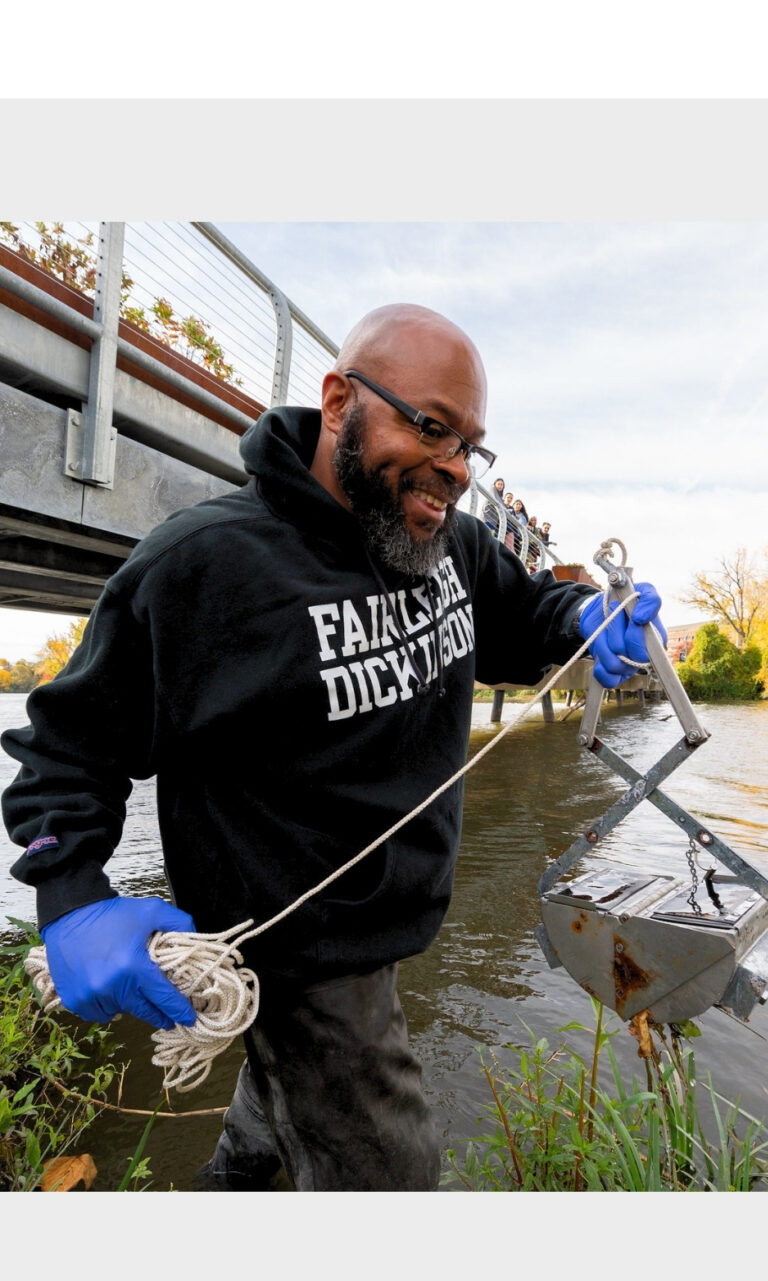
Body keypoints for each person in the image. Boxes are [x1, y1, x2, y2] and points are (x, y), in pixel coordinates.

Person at [1, 304, 666, 1191]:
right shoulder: (204, 564)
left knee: (273, 1127)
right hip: (302, 949)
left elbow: (513, 615)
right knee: (394, 1171)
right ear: (340, 399)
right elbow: (69, 743)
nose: (455, 469)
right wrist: (72, 894)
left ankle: (232, 1186)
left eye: (471, 445)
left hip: (387, 923)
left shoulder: (448, 539)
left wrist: (581, 618)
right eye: (430, 427)